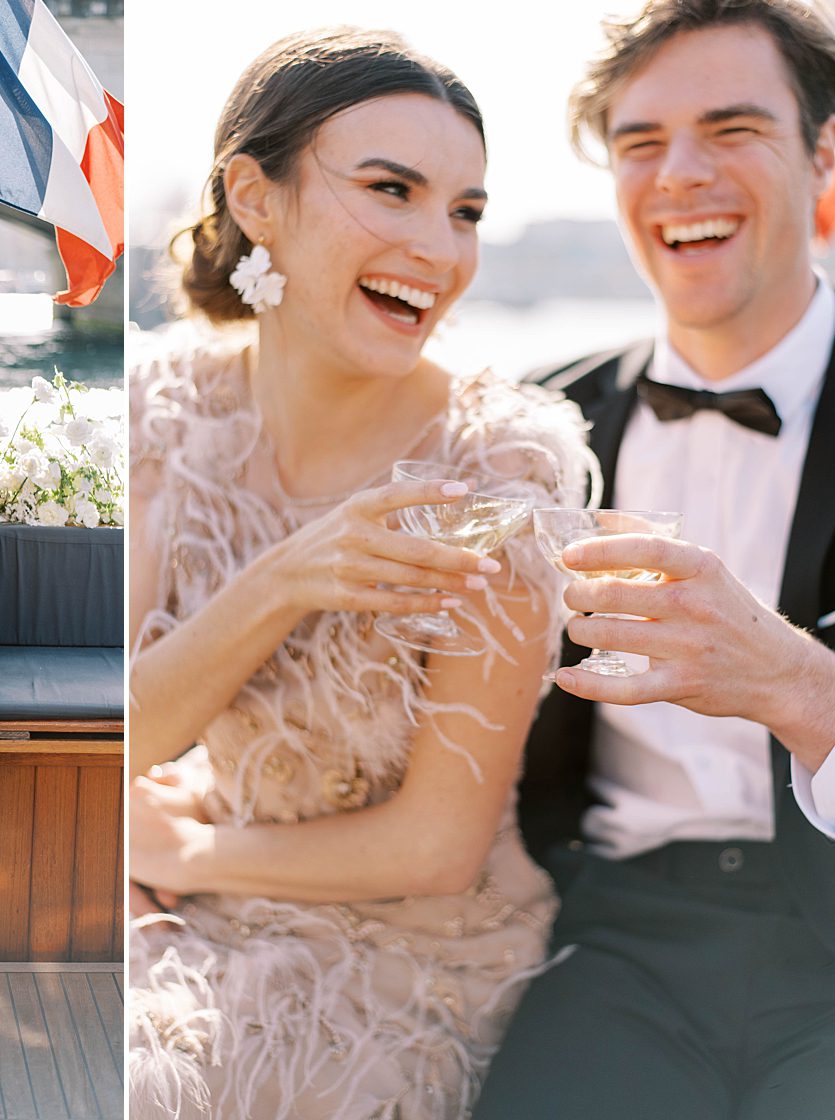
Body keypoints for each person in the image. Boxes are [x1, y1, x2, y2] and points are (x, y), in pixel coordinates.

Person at [125, 29, 598, 1120]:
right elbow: (130, 734)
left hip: (410, 954)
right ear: (256, 196)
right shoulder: (167, 405)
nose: (439, 247)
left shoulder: (502, 463)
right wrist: (284, 578)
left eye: (466, 210)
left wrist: (184, 849)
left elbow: (436, 848)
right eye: (393, 190)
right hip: (188, 899)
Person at [473, 3, 835, 1117]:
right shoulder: (529, 424)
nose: (679, 176)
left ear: (826, 147)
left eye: (732, 129)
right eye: (641, 143)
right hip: (614, 941)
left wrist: (803, 688)